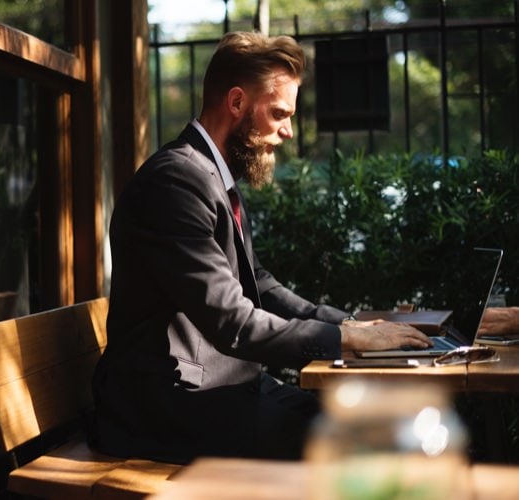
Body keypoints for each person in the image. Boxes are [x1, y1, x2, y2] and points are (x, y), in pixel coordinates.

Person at [90, 31, 431, 463]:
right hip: (166, 408)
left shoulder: (209, 175)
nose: (288, 131)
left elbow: (261, 286)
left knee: (379, 423)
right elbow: (233, 322)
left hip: (218, 390)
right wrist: (344, 338)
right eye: (279, 113)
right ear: (236, 104)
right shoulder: (175, 182)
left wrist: (354, 327)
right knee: (368, 438)